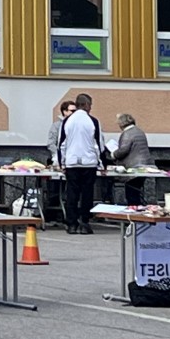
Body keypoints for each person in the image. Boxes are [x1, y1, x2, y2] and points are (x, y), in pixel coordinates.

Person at [59, 92, 105, 234]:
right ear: (86, 105)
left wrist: (62, 163)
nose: (90, 108)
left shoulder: (67, 121)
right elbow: (99, 144)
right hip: (89, 163)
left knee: (72, 193)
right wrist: (102, 163)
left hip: (72, 162)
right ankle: (84, 222)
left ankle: (71, 224)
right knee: (87, 194)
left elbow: (61, 144)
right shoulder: (93, 121)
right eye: (90, 105)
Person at [112, 112, 153, 206]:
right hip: (145, 166)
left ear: (121, 124)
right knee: (137, 192)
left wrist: (113, 154)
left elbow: (123, 150)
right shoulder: (139, 131)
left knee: (131, 194)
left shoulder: (127, 133)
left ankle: (134, 215)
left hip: (134, 168)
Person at [46, 101, 76, 168]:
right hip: (59, 161)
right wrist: (58, 156)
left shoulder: (77, 124)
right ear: (64, 111)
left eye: (76, 111)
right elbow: (51, 143)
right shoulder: (56, 126)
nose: (74, 113)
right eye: (72, 111)